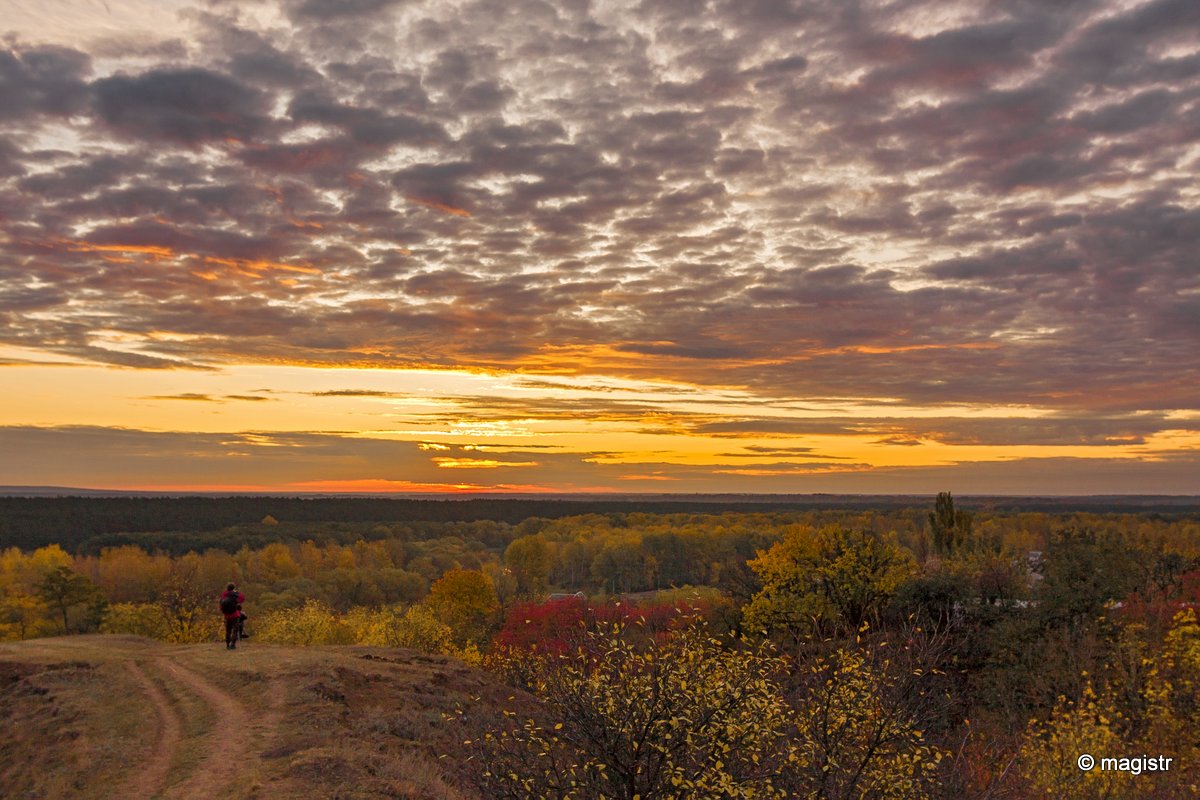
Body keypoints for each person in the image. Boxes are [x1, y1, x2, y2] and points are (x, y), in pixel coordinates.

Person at [219, 583, 245, 650]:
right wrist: (236, 592)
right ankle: (232, 645)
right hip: (235, 614)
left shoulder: (224, 594)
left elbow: (221, 604)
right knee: (235, 630)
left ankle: (227, 644)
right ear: (233, 588)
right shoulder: (235, 594)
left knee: (228, 631)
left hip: (227, 615)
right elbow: (242, 598)